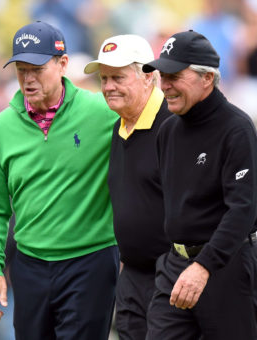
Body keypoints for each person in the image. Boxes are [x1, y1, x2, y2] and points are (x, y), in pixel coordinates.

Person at [0, 21, 119, 340]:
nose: (28, 79)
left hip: (90, 261)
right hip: (30, 265)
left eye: (37, 69)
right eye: (21, 70)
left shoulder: (103, 110)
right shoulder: (2, 127)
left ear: (62, 64)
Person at [142, 30, 257, 339]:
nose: (165, 85)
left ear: (207, 78)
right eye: (162, 76)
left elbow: (242, 211)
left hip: (227, 267)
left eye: (174, 76)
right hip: (175, 265)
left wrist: (204, 266)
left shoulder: (236, 129)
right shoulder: (168, 131)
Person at [84, 35, 171, 339]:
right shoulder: (119, 126)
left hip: (174, 272)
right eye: (104, 78)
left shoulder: (174, 126)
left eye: (118, 77)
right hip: (133, 274)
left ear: (149, 76)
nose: (108, 86)